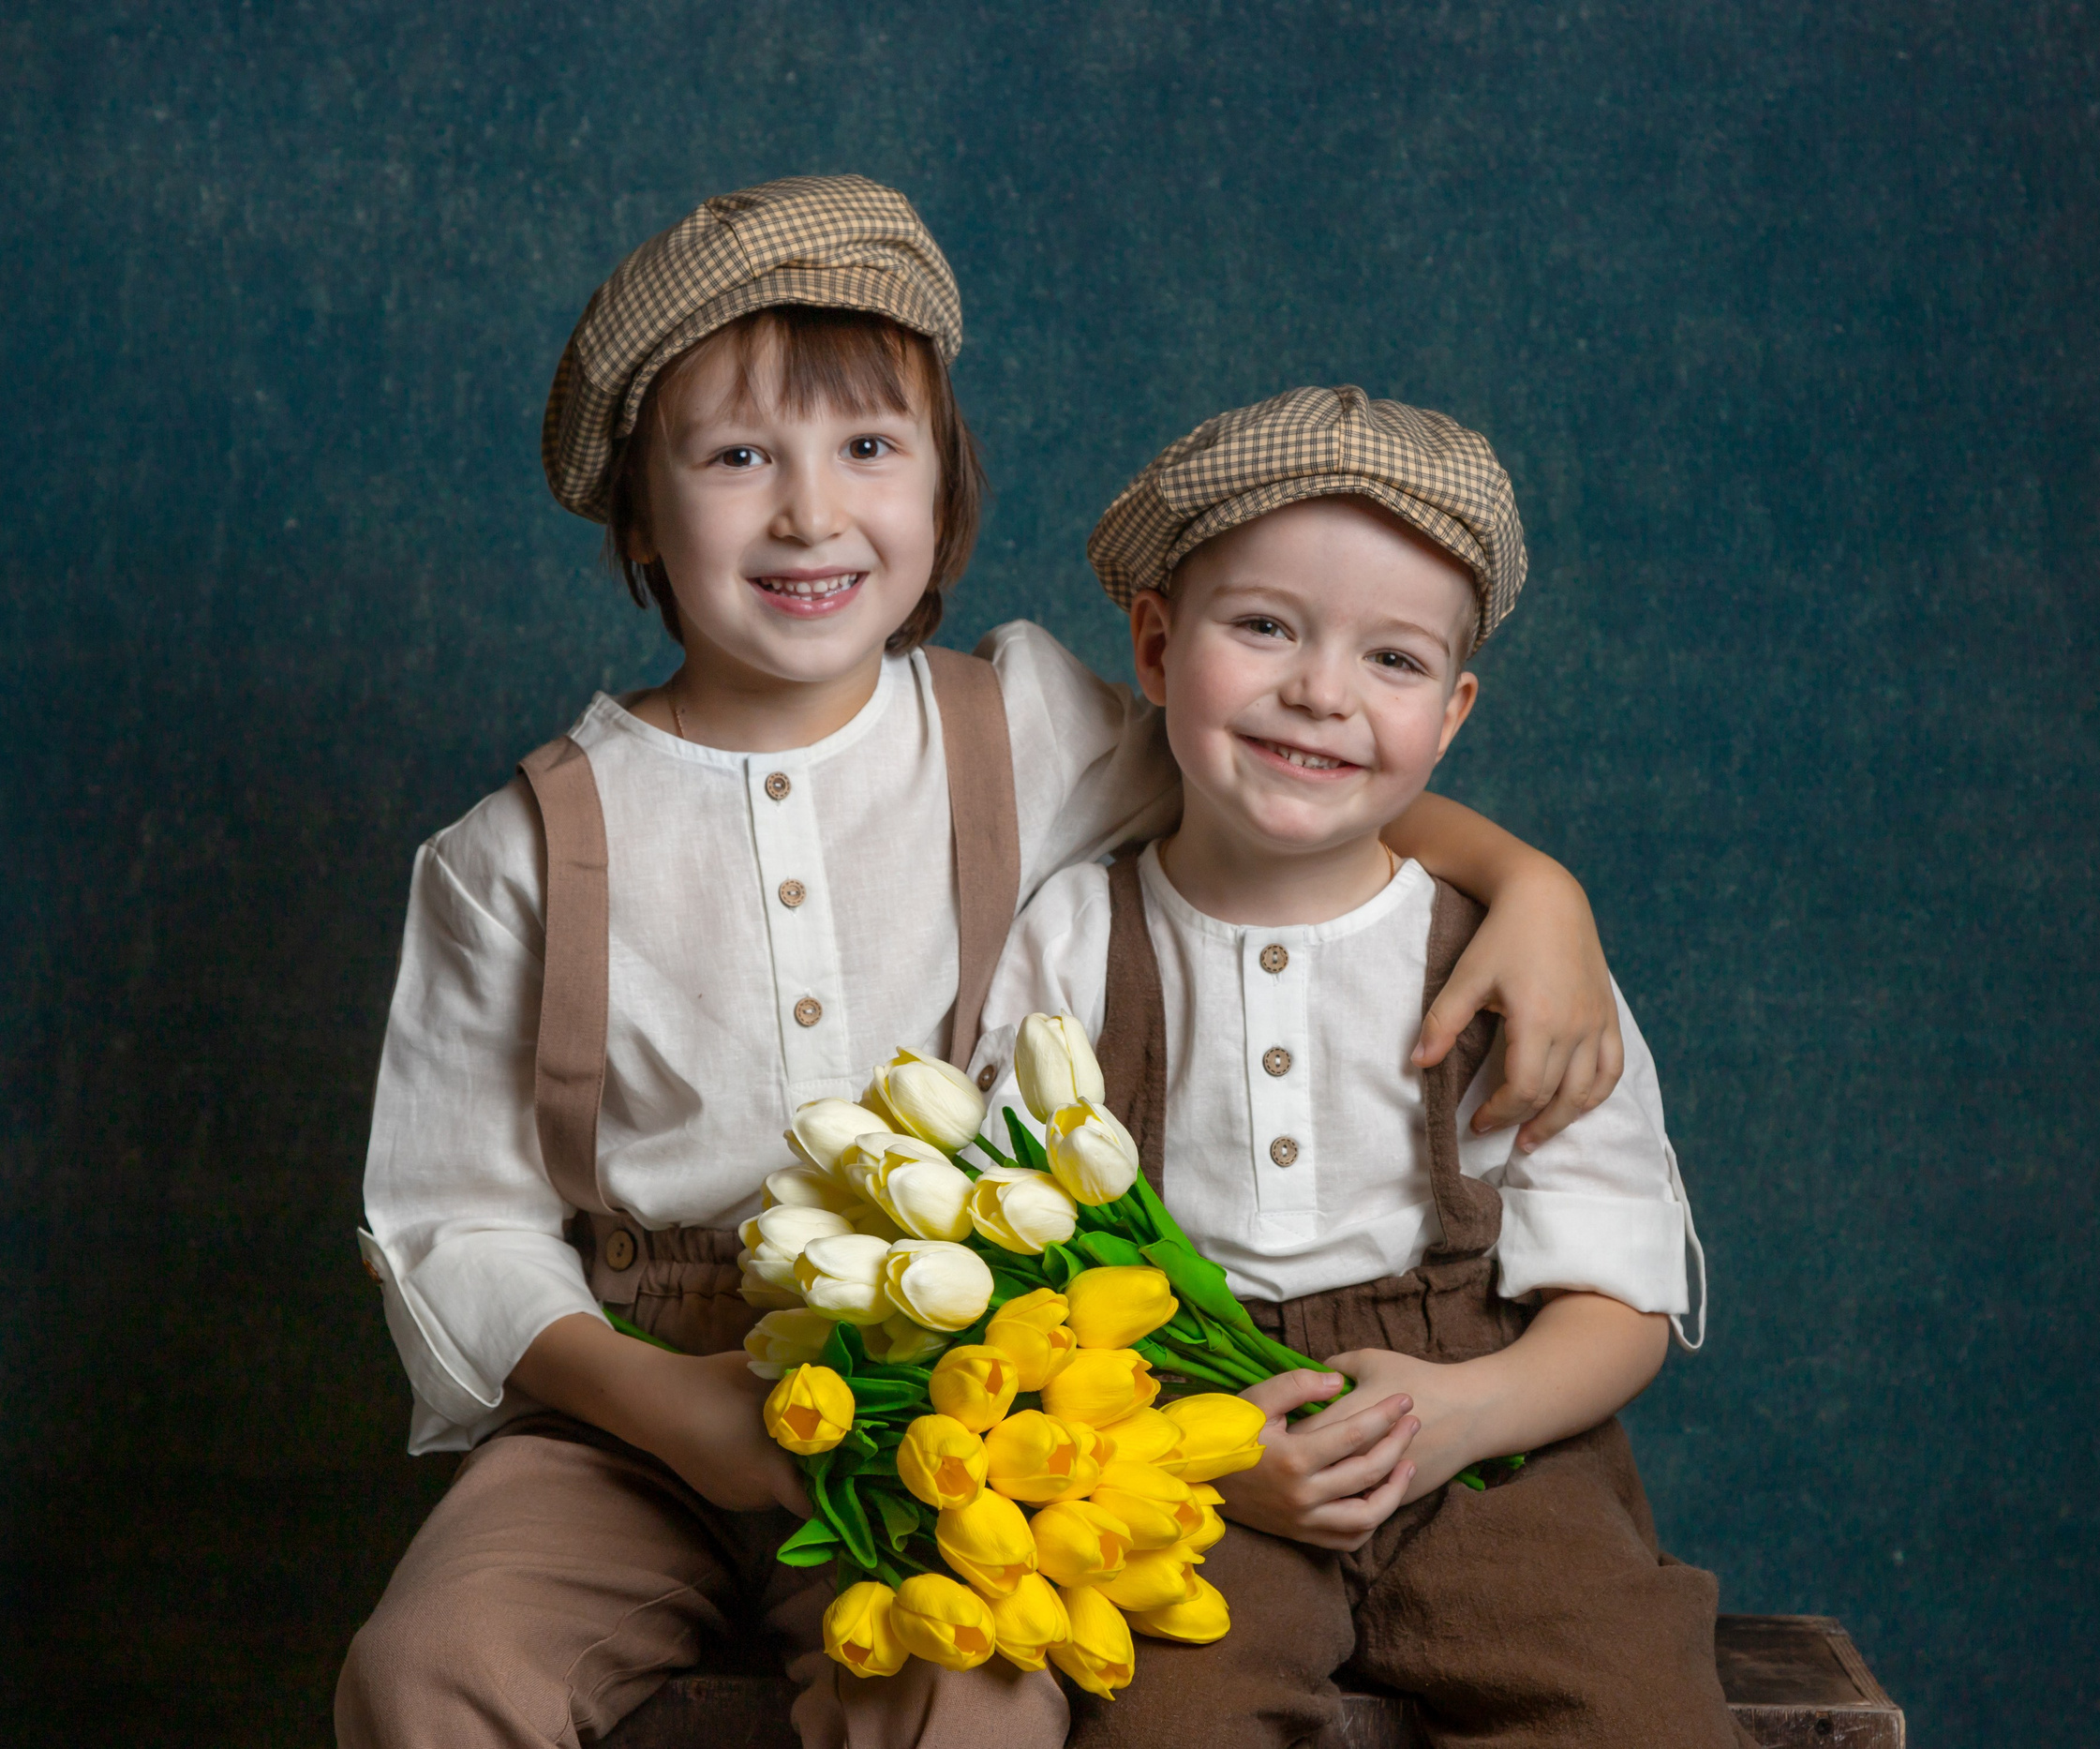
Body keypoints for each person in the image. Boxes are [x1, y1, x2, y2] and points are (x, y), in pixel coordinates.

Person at [338, 179, 1634, 1749]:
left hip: (959, 1405)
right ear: (640, 508)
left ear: (944, 479)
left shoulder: (1020, 728)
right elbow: (450, 1214)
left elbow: (1286, 777)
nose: (812, 514)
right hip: (628, 1409)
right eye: (739, 456)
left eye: (869, 449)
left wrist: (1525, 879)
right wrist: (668, 1405)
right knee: (431, 1665)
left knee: (985, 1686)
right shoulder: (520, 847)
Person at [971, 386, 1745, 1748]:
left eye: (1391, 661)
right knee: (1160, 1719)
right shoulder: (1075, 939)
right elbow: (1016, 1265)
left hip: (1492, 1441)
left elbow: (1619, 1291)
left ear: (1450, 717)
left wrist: (1463, 1411)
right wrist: (1190, 1437)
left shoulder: (1517, 965)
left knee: (1633, 1702)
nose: (1321, 690)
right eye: (1264, 625)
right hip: (1188, 1436)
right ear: (1154, 646)